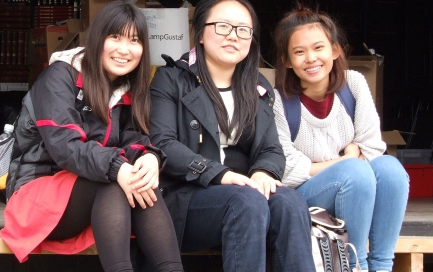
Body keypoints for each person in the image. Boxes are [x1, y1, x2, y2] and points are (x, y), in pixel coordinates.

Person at [0, 2, 184, 271]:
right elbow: (66, 147)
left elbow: (135, 140)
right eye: (115, 37)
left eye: (134, 40)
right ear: (98, 38)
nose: (124, 49)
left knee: (141, 182)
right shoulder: (59, 76)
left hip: (95, 186)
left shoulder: (129, 87)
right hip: (38, 191)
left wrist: (150, 158)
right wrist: (117, 168)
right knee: (114, 181)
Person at [148, 0, 314, 271]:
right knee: (246, 200)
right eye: (222, 26)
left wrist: (264, 172)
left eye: (243, 30)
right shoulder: (171, 80)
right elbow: (163, 144)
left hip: (247, 200)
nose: (233, 35)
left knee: (290, 202)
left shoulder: (258, 88)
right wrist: (218, 174)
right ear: (201, 33)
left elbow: (272, 149)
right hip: (187, 200)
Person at [271, 5, 409, 272]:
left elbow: (372, 146)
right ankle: (353, 265)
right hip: (306, 195)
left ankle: (382, 266)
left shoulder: (353, 83)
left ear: (335, 51)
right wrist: (346, 159)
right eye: (299, 52)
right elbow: (286, 170)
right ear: (287, 60)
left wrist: (341, 161)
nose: (310, 58)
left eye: (318, 48)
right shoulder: (279, 101)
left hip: (355, 187)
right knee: (354, 170)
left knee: (390, 169)